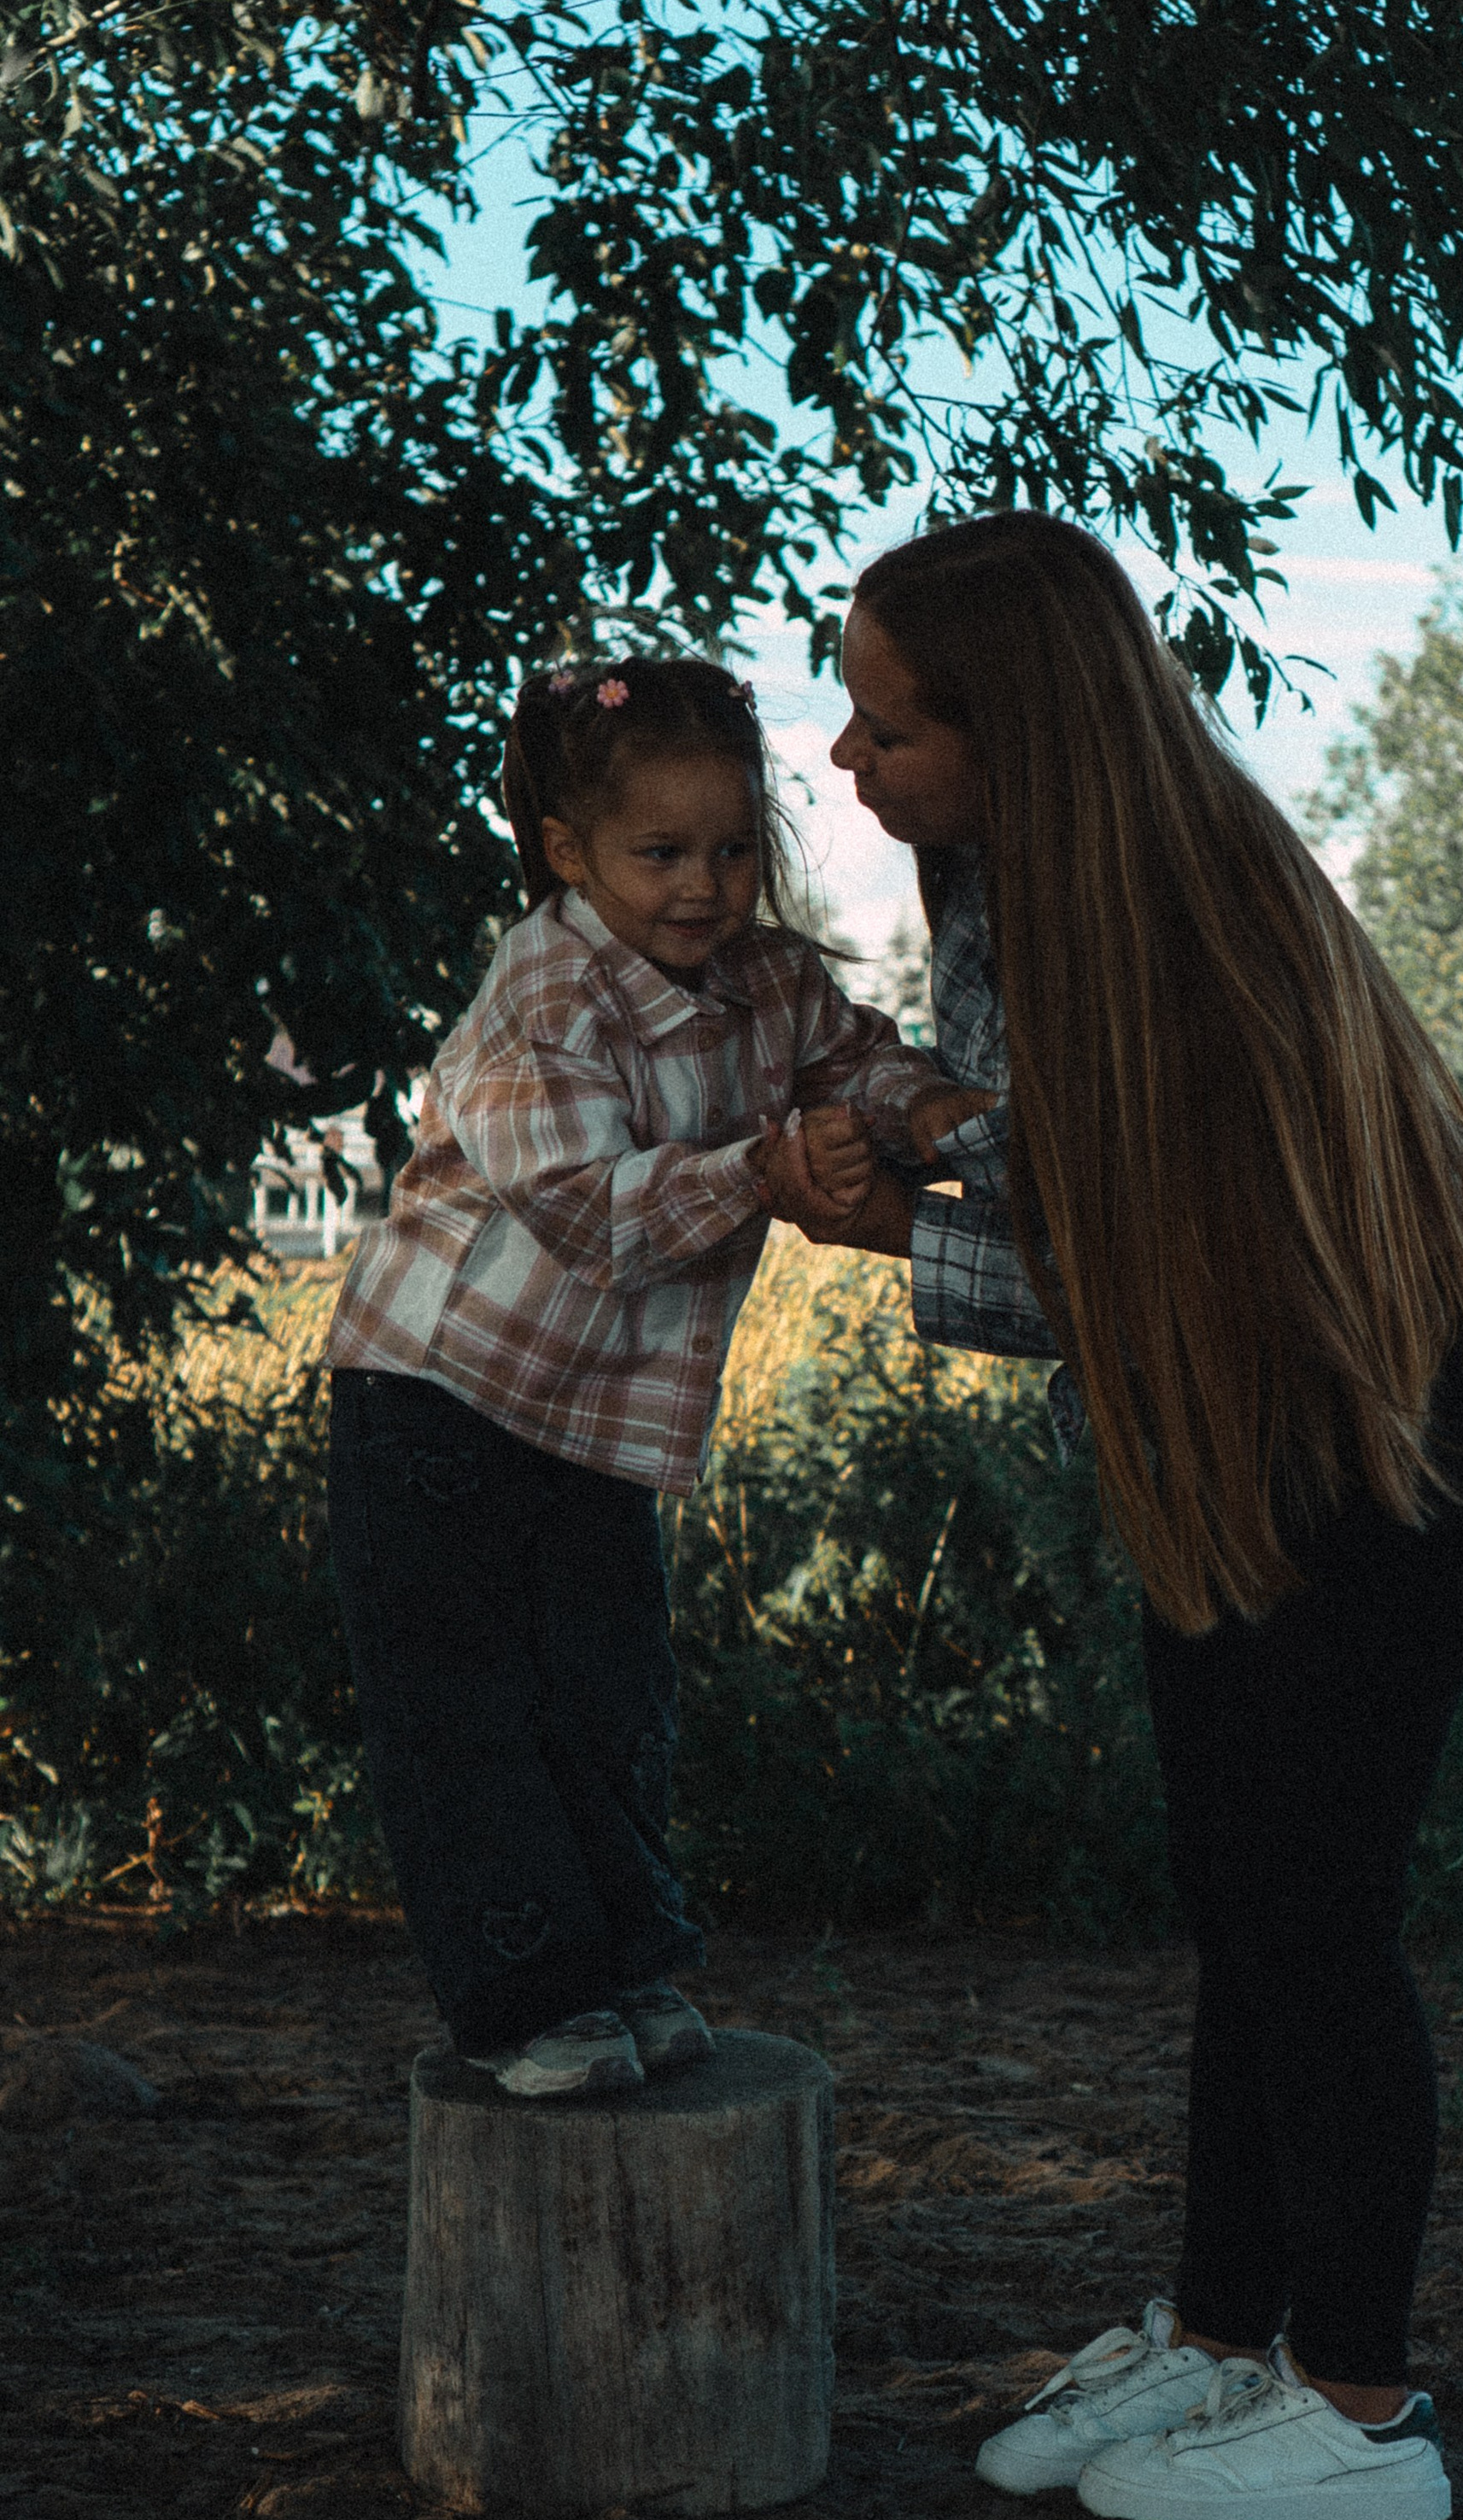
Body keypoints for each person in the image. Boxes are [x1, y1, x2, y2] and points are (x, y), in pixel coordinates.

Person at [772, 512, 1463, 2520]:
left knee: (1314, 1907)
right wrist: (940, 1153)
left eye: (880, 724)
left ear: (1009, 729)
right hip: (1223, 1432)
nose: (842, 759)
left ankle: (1362, 2413)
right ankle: (1223, 2340)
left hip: (1383, 1424)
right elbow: (1074, 1181)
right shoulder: (1007, 885)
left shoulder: (1190, 909)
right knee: (1239, 1894)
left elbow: (1202, 1266)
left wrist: (897, 1233)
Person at [324, 657, 981, 2098]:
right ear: (569, 854)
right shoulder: (544, 991)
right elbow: (587, 1209)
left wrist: (918, 1104)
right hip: (434, 1401)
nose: (706, 886)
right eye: (662, 854)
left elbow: (851, 1058)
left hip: (588, 1421)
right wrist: (768, 1167)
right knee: (469, 1707)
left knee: (607, 1688)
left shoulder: (765, 981)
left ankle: (625, 1966)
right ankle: (526, 2005)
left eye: (736, 849)